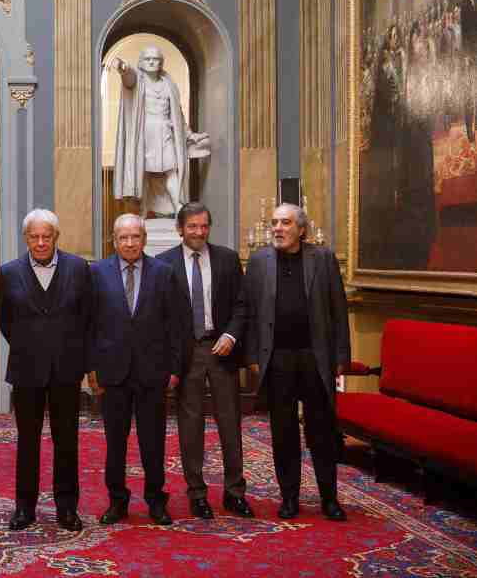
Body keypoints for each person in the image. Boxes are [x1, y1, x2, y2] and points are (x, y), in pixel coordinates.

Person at [232, 203, 350, 521]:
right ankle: (290, 498)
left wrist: (341, 356)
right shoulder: (258, 262)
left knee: (321, 431)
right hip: (278, 360)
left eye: (285, 223)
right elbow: (248, 310)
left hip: (316, 357)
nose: (278, 229)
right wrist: (253, 356)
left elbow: (338, 308)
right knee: (283, 432)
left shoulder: (322, 259)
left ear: (302, 229)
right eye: (274, 223)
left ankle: (329, 499)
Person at [157, 202, 253, 519]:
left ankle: (234, 492)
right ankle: (197, 494)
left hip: (222, 348)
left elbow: (242, 305)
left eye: (204, 226)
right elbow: (165, 318)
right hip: (188, 354)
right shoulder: (164, 264)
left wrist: (231, 336)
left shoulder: (226, 258)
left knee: (230, 423)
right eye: (192, 226)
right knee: (190, 425)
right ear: (180, 229)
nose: (199, 232)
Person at [88, 213, 185, 526]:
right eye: (123, 238)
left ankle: (156, 501)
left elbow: (176, 325)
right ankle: (117, 501)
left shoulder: (164, 273)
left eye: (135, 237)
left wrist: (174, 368)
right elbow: (89, 325)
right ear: (114, 241)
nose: (129, 243)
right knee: (115, 442)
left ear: (144, 239)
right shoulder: (97, 272)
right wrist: (92, 368)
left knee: (152, 441)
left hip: (152, 372)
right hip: (112, 372)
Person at [0, 209, 91, 532]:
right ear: (26, 238)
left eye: (46, 236)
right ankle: (25, 508)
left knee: (67, 442)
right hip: (26, 369)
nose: (40, 242)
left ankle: (67, 508)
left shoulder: (79, 268)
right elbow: (5, 320)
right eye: (34, 237)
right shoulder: (8, 272)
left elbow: (86, 318)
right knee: (28, 442)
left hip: (66, 368)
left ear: (56, 237)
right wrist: (32, 344)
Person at [107, 47, 192, 217]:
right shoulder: (138, 80)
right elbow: (129, 78)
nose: (152, 62)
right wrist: (124, 68)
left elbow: (178, 112)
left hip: (166, 132)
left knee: (171, 169)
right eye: (148, 59)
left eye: (156, 59)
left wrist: (188, 132)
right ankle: (143, 209)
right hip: (145, 133)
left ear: (161, 62)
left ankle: (178, 207)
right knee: (143, 172)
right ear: (141, 62)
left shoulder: (169, 83)